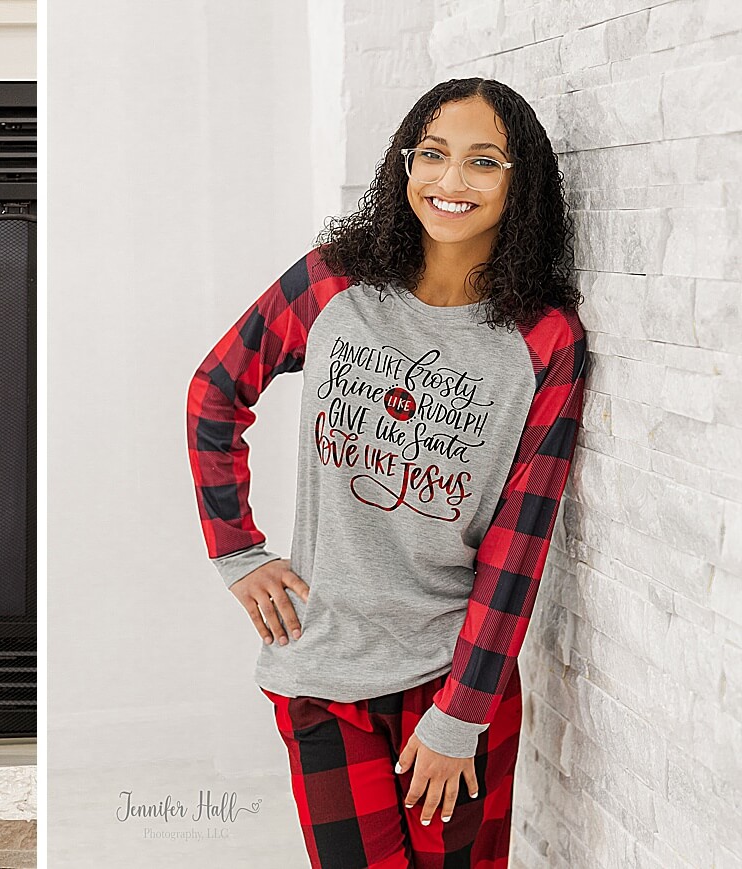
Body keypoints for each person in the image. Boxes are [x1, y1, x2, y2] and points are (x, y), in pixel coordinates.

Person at [186, 78, 588, 868]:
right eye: (432, 155)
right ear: (404, 164)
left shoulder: (545, 338)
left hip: (452, 674)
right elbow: (215, 389)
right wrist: (236, 548)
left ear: (521, 180)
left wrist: (460, 715)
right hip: (321, 664)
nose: (450, 181)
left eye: (483, 162)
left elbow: (521, 541)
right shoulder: (335, 282)